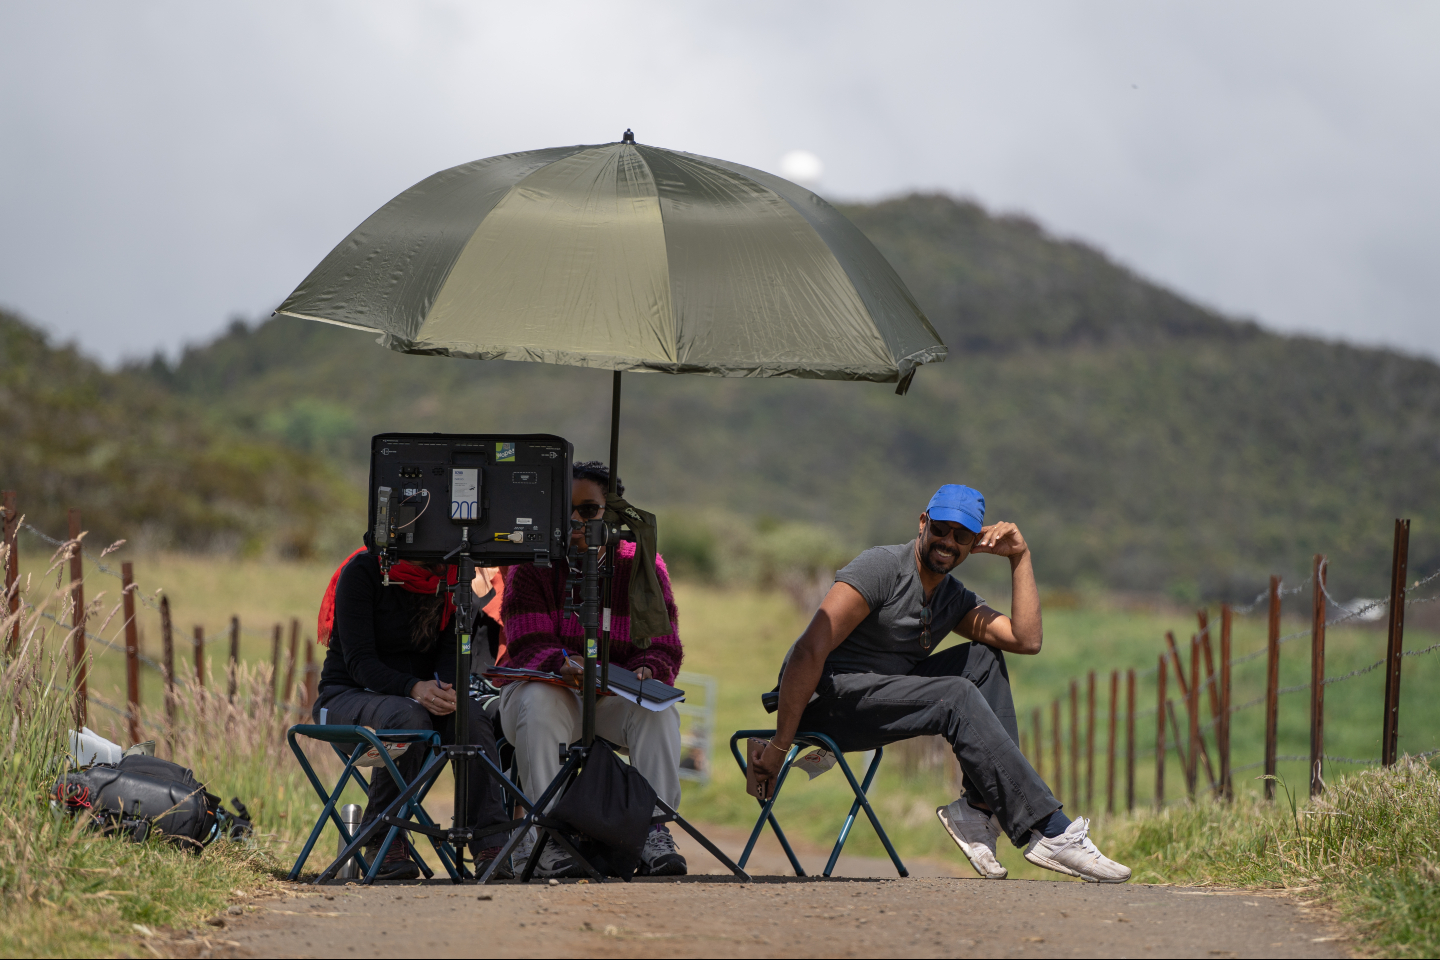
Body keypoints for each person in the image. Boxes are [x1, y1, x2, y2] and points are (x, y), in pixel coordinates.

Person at [751, 484, 1131, 883]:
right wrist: (779, 745)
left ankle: (980, 808)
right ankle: (1052, 829)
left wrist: (1020, 556)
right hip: (827, 702)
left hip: (882, 698)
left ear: (973, 544)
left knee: (982, 659)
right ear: (922, 523)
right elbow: (808, 650)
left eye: (961, 536)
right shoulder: (880, 568)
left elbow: (1026, 640)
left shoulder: (952, 598)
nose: (948, 542)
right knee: (955, 695)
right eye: (941, 529)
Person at [496, 460, 687, 877]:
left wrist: (648, 670)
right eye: (567, 510)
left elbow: (663, 646)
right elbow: (528, 642)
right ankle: (543, 835)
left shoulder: (643, 566)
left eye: (588, 510)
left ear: (611, 512)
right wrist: (562, 665)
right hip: (544, 690)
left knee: (659, 711)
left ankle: (654, 829)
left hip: (610, 697)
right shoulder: (533, 563)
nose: (576, 520)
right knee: (542, 699)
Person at [314, 548, 513, 880]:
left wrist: (447, 689)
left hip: (417, 697)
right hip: (347, 695)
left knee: (472, 719)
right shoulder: (362, 571)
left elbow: (451, 652)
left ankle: (490, 843)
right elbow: (360, 662)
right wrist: (413, 688)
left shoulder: (452, 578)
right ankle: (382, 837)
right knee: (407, 717)